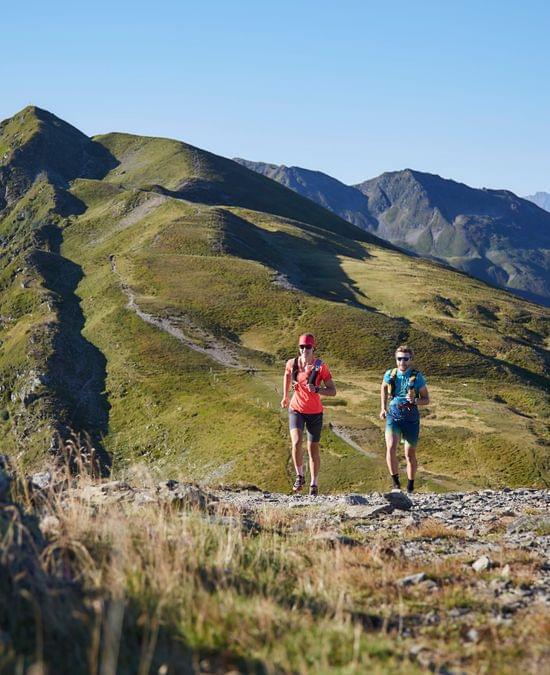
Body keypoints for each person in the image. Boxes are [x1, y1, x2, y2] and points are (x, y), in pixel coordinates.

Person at [281, 333, 336, 495]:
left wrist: (318, 389)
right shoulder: (292, 363)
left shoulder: (320, 367)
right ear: (299, 348)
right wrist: (285, 396)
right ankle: (299, 476)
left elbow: (333, 391)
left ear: (313, 348)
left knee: (313, 449)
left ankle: (313, 483)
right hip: (296, 409)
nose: (305, 349)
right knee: (296, 442)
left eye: (308, 347)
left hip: (315, 412)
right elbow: (286, 374)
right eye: (302, 347)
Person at [380, 345, 429, 493]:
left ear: (410, 360)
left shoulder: (417, 377)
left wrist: (414, 401)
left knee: (409, 453)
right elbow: (383, 387)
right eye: (399, 359)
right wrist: (383, 407)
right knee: (390, 447)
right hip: (393, 415)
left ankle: (410, 485)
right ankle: (395, 483)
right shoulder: (390, 374)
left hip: (410, 417)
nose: (402, 362)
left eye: (405, 359)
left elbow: (426, 399)